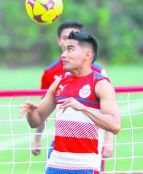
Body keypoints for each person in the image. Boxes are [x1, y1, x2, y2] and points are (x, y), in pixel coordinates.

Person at [20, 31, 121, 173]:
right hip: (55, 165)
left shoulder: (100, 84)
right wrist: (30, 113)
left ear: (88, 55)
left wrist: (83, 108)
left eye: (70, 49)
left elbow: (115, 125)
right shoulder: (59, 83)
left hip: (86, 167)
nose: (63, 55)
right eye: (64, 49)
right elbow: (35, 122)